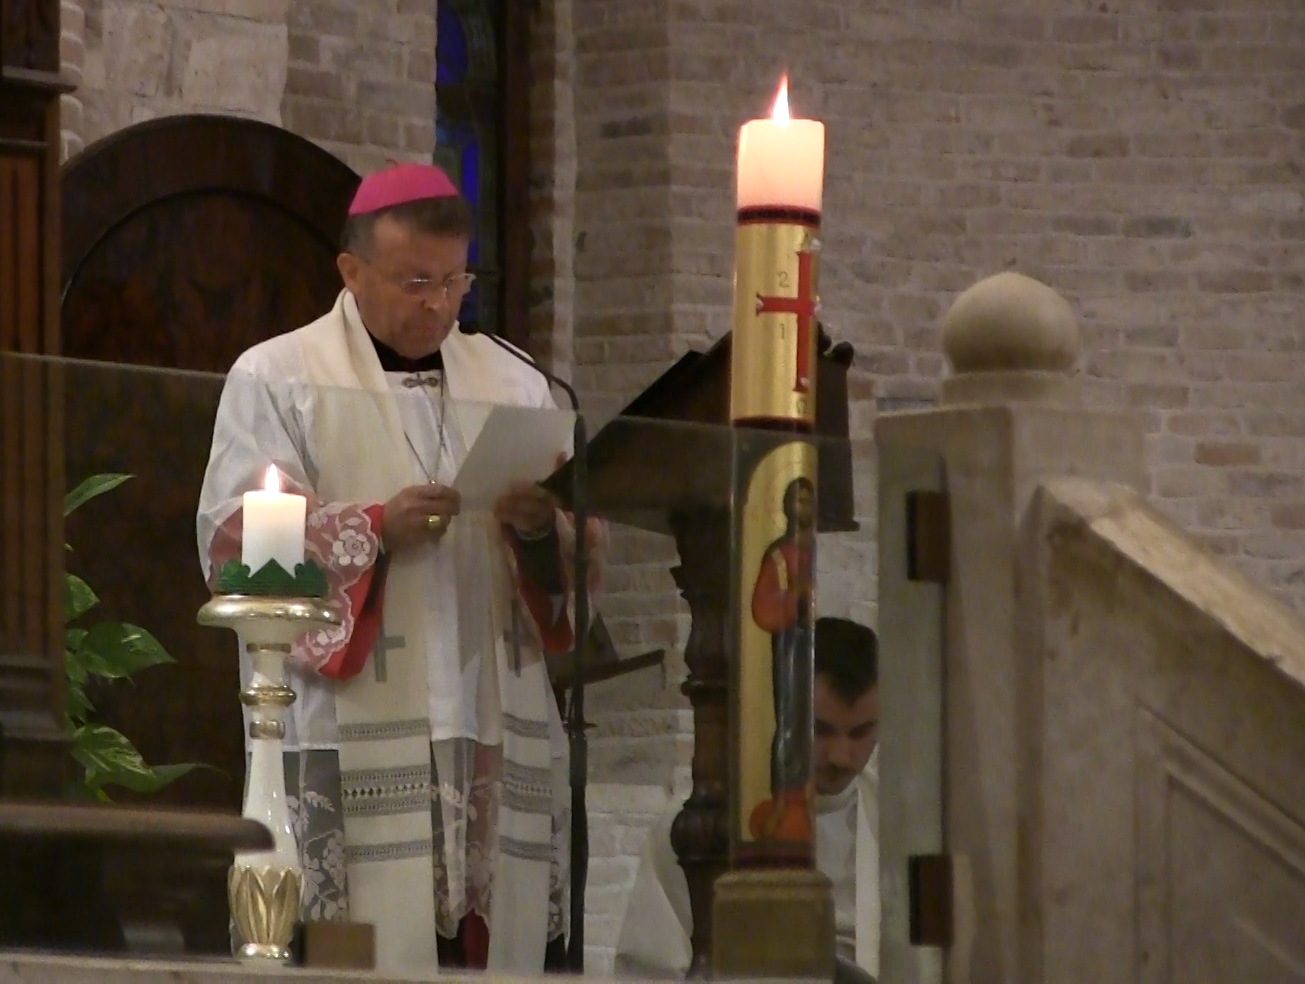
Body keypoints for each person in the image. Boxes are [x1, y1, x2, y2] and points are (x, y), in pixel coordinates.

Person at [196, 163, 602, 974]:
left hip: (484, 716)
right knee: (358, 948)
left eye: (456, 281)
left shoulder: (516, 381)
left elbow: (576, 557)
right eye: (417, 281)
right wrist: (376, 528)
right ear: (351, 271)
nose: (439, 305)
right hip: (351, 728)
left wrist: (539, 530)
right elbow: (238, 543)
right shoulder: (277, 376)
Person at [615, 616, 881, 981]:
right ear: (784, 714)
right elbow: (645, 973)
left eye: (861, 732)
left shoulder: (896, 821)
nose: (841, 756)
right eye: (821, 730)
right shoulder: (698, 826)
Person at [748, 475, 818, 850]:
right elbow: (762, 605)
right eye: (797, 500)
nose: (802, 507)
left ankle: (806, 797)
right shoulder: (779, 554)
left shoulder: (819, 552)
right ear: (787, 507)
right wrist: (796, 599)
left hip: (815, 641)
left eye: (808, 501)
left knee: (811, 720)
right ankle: (781, 801)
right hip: (791, 641)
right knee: (790, 720)